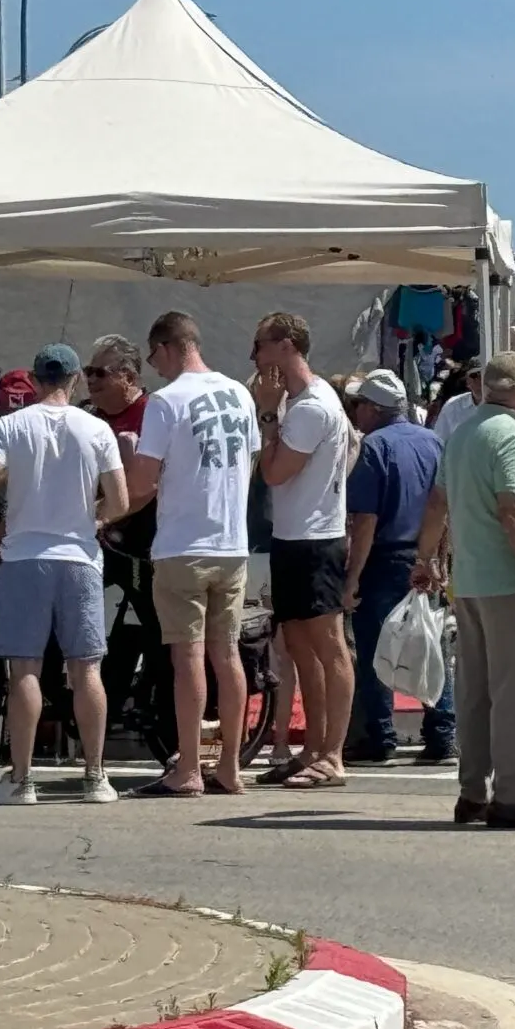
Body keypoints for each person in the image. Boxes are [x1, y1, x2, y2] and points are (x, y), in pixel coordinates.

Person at [0, 344, 128, 805]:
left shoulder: (10, 425)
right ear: (75, 379)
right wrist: (95, 519)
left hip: (25, 557)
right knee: (87, 668)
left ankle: (22, 780)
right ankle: (96, 775)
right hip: (80, 557)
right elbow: (121, 500)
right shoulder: (97, 428)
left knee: (25, 668)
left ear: (37, 381)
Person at [417, 351, 515, 829]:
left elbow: (437, 502)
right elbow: (514, 512)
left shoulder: (462, 433)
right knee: (512, 693)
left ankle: (472, 791)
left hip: (471, 580)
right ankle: (508, 795)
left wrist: (424, 558)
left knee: (475, 692)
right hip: (508, 582)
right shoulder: (510, 437)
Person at [125, 311, 261, 798]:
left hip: (183, 543)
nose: (153, 366)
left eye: (153, 356)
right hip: (231, 542)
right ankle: (230, 765)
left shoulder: (166, 401)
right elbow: (248, 462)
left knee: (187, 659)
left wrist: (116, 483)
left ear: (168, 347)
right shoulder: (240, 394)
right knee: (227, 655)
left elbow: (142, 483)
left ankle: (187, 768)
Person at [253, 312, 355, 790]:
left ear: (286, 345)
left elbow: (274, 473)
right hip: (293, 536)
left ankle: (333, 754)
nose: (255, 356)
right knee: (298, 644)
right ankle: (314, 747)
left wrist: (267, 414)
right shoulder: (302, 402)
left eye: (260, 345)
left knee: (328, 644)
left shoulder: (312, 405)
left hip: (316, 539)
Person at [343, 368, 447, 766]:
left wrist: (352, 577)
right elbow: (445, 507)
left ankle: (380, 735)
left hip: (384, 557)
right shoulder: (433, 441)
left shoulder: (374, 447)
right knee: (429, 643)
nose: (355, 412)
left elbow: (365, 520)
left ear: (373, 408)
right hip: (423, 555)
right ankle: (442, 732)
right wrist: (439, 558)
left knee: (377, 650)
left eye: (358, 404)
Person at [84, 335, 159, 731]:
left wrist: (101, 516)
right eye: (88, 372)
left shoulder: (153, 413)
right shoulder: (87, 415)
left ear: (129, 377)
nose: (91, 380)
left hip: (142, 541)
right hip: (96, 537)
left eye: (100, 373)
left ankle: (149, 703)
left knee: (153, 627)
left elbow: (146, 487)